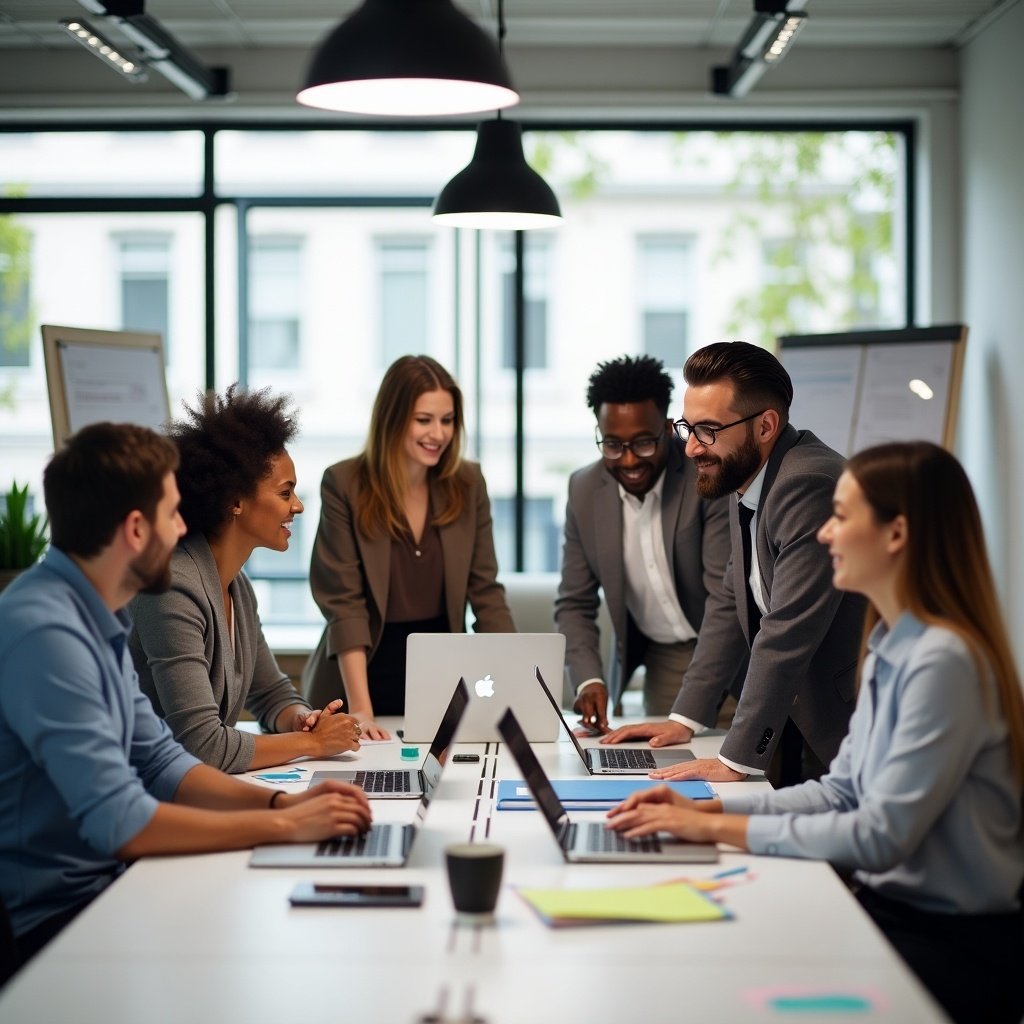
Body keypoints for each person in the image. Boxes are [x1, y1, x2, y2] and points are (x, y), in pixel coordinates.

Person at [607, 441, 1024, 1024]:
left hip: (949, 943)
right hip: (892, 911)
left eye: (842, 517)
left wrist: (713, 827)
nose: (825, 534)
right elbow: (840, 791)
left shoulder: (943, 662)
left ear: (896, 534)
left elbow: (880, 836)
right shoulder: (890, 645)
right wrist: (706, 812)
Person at [0, 423, 371, 979]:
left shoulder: (96, 613)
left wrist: (280, 807)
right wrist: (283, 828)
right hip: (56, 919)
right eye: (172, 514)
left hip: (112, 882)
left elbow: (161, 759)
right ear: (133, 529)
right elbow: (119, 821)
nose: (183, 528)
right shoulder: (45, 630)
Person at [603, 341, 864, 785]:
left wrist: (734, 761)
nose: (690, 449)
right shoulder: (744, 471)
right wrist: (684, 718)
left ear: (765, 426)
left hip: (850, 721)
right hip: (805, 717)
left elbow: (785, 632)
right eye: (687, 428)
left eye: (708, 430)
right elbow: (731, 598)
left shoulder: (806, 484)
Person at [128, 386, 362, 773]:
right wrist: (311, 742)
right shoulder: (172, 588)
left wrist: (302, 719)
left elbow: (271, 694)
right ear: (235, 500)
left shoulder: (238, 587)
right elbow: (202, 745)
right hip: (139, 803)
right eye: (285, 493)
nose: (298, 506)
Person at [303, 355, 515, 740]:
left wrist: (516, 688)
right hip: (358, 678)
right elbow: (344, 606)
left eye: (447, 420)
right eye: (424, 420)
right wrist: (362, 711)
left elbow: (486, 593)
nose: (438, 433)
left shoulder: (468, 483)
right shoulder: (344, 483)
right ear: (393, 418)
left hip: (440, 682)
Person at [555, 354, 734, 728]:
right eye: (613, 445)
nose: (629, 460)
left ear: (668, 428)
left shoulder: (705, 478)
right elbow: (574, 601)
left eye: (643, 443)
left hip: (732, 653)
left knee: (739, 773)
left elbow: (725, 601)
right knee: (667, 771)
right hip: (664, 661)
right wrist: (589, 679)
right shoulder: (584, 490)